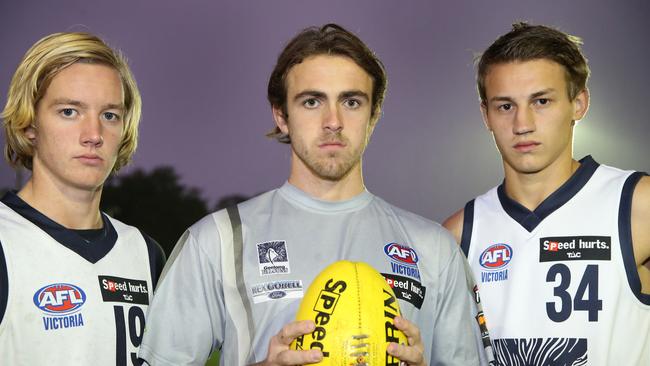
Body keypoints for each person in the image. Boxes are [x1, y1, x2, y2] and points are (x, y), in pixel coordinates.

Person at [139, 23, 486, 366]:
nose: (332, 120)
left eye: (351, 101)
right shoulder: (219, 239)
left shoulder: (434, 249)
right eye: (311, 101)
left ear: (373, 115)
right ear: (282, 115)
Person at [444, 22, 650, 364]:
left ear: (579, 103)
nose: (522, 124)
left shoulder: (636, 205)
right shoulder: (457, 235)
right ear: (486, 115)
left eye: (541, 101)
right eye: (505, 106)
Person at [0, 32, 165, 364]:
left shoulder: (146, 254)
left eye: (109, 116)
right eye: (69, 112)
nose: (93, 135)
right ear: (30, 122)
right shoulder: (5, 241)